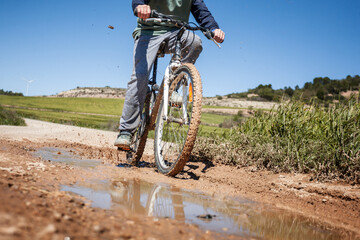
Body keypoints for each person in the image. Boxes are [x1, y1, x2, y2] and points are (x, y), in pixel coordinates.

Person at [115, 0, 225, 150]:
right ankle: (126, 131)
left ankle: (171, 88)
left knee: (195, 43)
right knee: (140, 76)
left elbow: (201, 12)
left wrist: (213, 28)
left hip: (177, 32)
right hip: (149, 31)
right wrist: (140, 6)